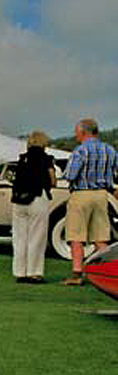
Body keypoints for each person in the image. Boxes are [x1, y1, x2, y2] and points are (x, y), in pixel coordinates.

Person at [60, 118, 118, 285]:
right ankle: (108, 273)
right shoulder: (110, 150)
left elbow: (70, 175)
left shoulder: (80, 151)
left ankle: (77, 274)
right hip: (101, 194)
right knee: (100, 237)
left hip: (81, 194)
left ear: (83, 132)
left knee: (76, 235)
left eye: (76, 131)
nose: (75, 135)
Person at [11, 131, 56, 283]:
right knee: (36, 237)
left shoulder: (22, 158)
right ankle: (34, 272)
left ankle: (20, 272)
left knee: (19, 237)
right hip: (37, 197)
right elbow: (53, 181)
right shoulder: (46, 159)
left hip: (19, 200)